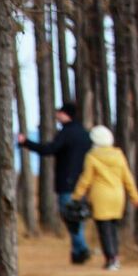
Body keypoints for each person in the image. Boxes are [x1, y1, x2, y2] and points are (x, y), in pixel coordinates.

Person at [18, 101, 94, 265]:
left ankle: (82, 248)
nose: (57, 115)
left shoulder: (66, 133)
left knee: (69, 216)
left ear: (66, 114)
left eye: (59, 112)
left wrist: (26, 143)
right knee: (77, 216)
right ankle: (77, 254)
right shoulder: (84, 134)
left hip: (66, 181)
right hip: (81, 182)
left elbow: (48, 150)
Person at [72, 125, 138, 272]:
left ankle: (110, 259)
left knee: (104, 230)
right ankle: (115, 257)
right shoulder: (119, 155)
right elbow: (127, 177)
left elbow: (86, 179)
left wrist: (76, 196)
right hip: (117, 196)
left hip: (100, 197)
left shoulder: (92, 156)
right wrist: (135, 196)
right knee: (114, 228)